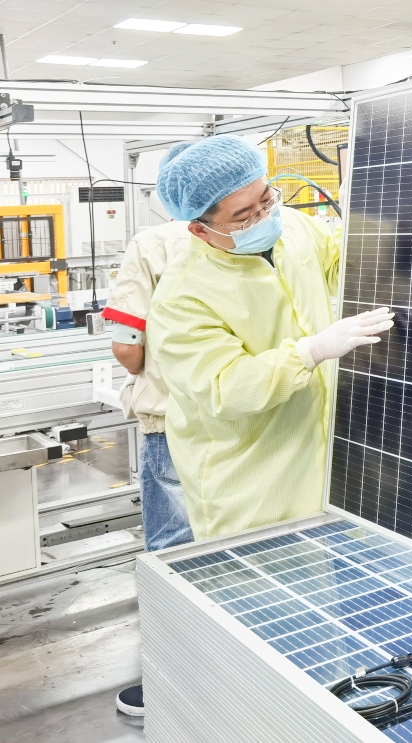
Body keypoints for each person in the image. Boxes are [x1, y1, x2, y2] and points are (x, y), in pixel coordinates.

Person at [145, 135, 393, 543]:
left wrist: (369, 215)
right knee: (268, 599)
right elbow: (226, 389)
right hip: (251, 487)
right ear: (200, 229)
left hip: (326, 466)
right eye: (244, 216)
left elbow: (344, 262)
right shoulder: (181, 299)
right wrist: (311, 352)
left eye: (266, 199)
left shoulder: (292, 227)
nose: (264, 217)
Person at [103, 141, 197, 718]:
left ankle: (174, 680)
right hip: (255, 417)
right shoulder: (283, 234)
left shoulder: (155, 242)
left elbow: (128, 349)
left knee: (175, 554)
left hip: (176, 422)